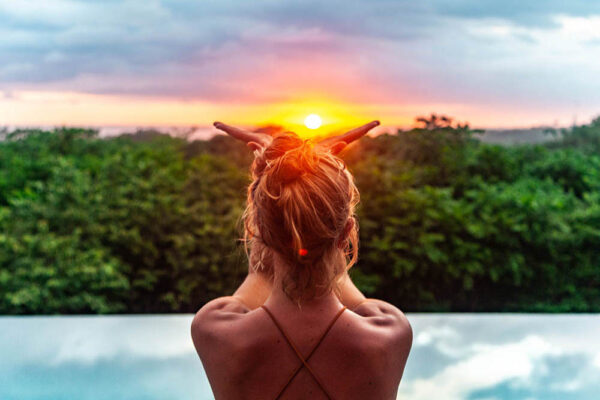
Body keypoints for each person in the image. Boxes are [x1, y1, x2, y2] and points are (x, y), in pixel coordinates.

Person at [191, 120, 412, 400]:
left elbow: (258, 276)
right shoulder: (389, 334)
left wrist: (268, 173)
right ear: (346, 234)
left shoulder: (215, 330)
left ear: (258, 230)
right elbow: (341, 282)